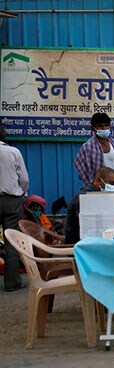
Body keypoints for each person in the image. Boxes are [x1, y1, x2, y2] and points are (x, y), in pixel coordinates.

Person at [0, 124, 29, 292]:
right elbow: (24, 179)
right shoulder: (13, 152)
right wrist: (22, 193)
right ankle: (12, 283)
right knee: (11, 241)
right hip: (12, 200)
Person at [64, 167, 114, 244]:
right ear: (98, 180)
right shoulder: (85, 197)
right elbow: (87, 224)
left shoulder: (101, 195)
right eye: (111, 183)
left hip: (94, 240)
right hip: (78, 243)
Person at [73, 112, 114, 186]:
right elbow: (83, 170)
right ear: (93, 128)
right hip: (97, 186)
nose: (104, 128)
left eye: (106, 125)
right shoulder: (87, 147)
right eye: (100, 126)